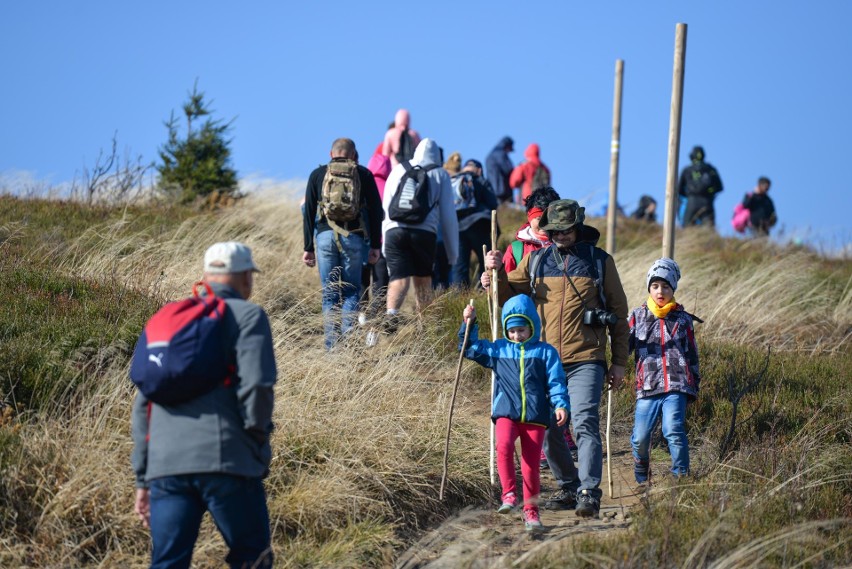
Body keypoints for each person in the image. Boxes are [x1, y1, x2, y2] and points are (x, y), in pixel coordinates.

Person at [132, 241, 277, 569]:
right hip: (227, 460)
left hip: (165, 467)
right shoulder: (248, 315)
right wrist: (257, 439)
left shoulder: (169, 320)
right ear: (244, 278)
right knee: (253, 558)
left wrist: (143, 477)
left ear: (207, 275)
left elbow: (144, 403)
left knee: (167, 563)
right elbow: (257, 385)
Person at [482, 199, 630, 518]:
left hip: (587, 358)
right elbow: (508, 295)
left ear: (578, 228)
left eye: (566, 230)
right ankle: (568, 484)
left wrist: (619, 361)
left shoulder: (600, 262)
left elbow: (619, 313)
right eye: (556, 230)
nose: (561, 235)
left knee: (584, 421)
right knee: (544, 425)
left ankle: (589, 491)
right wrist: (492, 276)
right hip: (545, 360)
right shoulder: (536, 261)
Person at [459, 294, 569, 533]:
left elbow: (556, 381)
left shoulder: (545, 353)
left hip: (535, 417)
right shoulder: (499, 349)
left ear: (532, 326)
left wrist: (560, 404)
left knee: (530, 465)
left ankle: (531, 512)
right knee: (504, 446)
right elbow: (469, 348)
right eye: (512, 330)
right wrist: (469, 323)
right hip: (506, 413)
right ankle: (509, 494)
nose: (516, 335)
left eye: (521, 329)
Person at [302, 138, 383, 349]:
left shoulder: (317, 174)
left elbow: (309, 212)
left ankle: (332, 348)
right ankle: (349, 344)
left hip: (325, 237)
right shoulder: (363, 174)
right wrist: (375, 245)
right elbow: (376, 211)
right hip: (353, 238)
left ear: (331, 154)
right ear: (354, 156)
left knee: (330, 294)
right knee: (351, 291)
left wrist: (308, 248)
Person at [629, 258, 701, 483]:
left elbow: (692, 354)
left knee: (674, 430)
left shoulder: (683, 319)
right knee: (641, 438)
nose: (660, 291)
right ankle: (641, 467)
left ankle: (681, 477)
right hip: (648, 385)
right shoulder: (637, 316)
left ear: (673, 289)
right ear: (649, 287)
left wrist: (694, 383)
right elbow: (624, 346)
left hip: (677, 385)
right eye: (655, 286)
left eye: (666, 286)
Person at [382, 138, 458, 321]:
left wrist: (385, 241)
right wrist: (453, 254)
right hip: (424, 233)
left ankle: (390, 315)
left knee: (398, 278)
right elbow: (448, 216)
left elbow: (386, 206)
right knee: (423, 280)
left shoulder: (399, 169)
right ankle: (423, 327)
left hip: (394, 230)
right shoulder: (440, 174)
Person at [451, 158, 498, 287]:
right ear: (479, 170)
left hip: (459, 228)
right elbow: (493, 203)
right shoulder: (480, 180)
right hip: (479, 225)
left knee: (460, 266)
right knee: (486, 261)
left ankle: (460, 297)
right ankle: (484, 290)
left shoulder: (455, 181)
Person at [360, 152, 392, 320]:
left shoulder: (364, 184)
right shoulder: (391, 186)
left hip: (364, 242)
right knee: (380, 288)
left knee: (362, 284)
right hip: (382, 245)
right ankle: (374, 329)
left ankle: (361, 318)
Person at [502, 186, 560, 273]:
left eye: (550, 218)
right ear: (529, 218)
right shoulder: (516, 250)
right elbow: (504, 283)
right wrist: (490, 279)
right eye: (539, 218)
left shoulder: (567, 245)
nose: (544, 224)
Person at [678, 145, 724, 227]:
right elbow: (720, 187)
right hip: (707, 202)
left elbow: (679, 189)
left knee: (687, 228)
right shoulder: (710, 169)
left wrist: (688, 193)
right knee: (709, 230)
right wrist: (710, 192)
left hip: (692, 201)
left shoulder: (687, 170)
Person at [509, 143, 550, 207]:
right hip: (543, 201)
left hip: (526, 199)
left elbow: (514, 182)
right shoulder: (545, 168)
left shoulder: (524, 165)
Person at [485, 136, 514, 204]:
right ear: (507, 145)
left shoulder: (490, 155)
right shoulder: (501, 154)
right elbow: (508, 169)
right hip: (502, 191)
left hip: (493, 190)